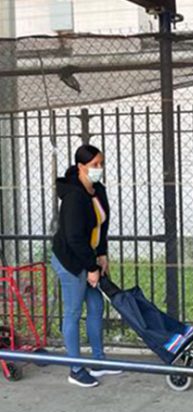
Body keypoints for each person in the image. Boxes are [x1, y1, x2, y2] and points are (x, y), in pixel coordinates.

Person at [52, 144, 121, 388]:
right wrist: (90, 267)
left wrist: (101, 255)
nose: (99, 169)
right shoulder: (73, 196)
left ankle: (99, 361)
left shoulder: (97, 190)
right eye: (94, 165)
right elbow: (74, 238)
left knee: (95, 305)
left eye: (101, 164)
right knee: (72, 311)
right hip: (71, 260)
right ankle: (75, 368)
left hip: (89, 257)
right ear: (81, 167)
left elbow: (101, 225)